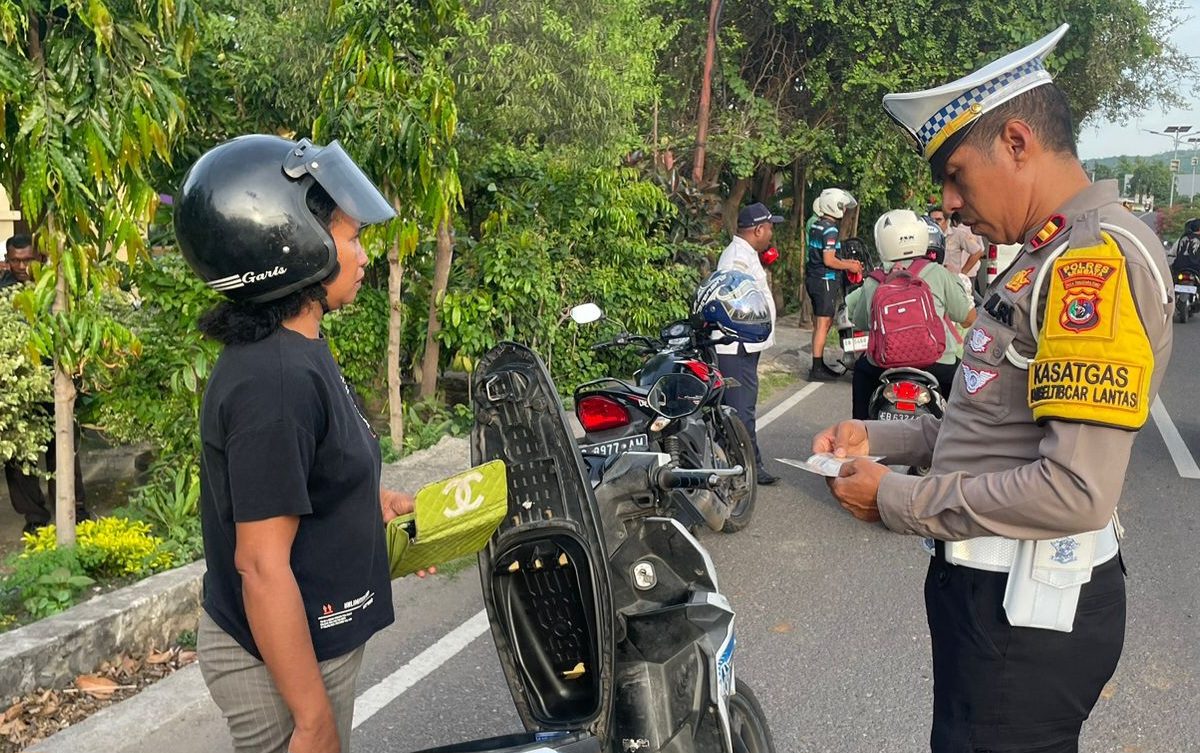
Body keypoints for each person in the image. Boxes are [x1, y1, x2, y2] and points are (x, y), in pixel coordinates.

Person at [814, 24, 1173, 753]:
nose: (948, 202)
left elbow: (1075, 488)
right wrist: (878, 436)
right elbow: (996, 423)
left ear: (1016, 142)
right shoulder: (1043, 254)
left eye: (956, 174)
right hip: (996, 603)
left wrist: (896, 499)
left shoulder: (1091, 264)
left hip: (1023, 621)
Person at [176, 134, 416, 753]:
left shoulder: (296, 348)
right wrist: (311, 720)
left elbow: (301, 475)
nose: (363, 256)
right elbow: (261, 566)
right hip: (280, 663)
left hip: (311, 640)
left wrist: (367, 503)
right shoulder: (274, 381)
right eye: (352, 238)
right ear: (294, 245)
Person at [2, 234, 91, 536]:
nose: (21, 266)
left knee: (63, 448)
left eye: (27, 259)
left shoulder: (55, 289)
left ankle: (75, 511)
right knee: (20, 457)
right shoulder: (3, 291)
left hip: (56, 382)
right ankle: (35, 518)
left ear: (39, 258)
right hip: (19, 387)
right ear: (7, 260)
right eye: (15, 260)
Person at [846, 210, 972, 420]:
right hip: (938, 363)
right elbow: (963, 313)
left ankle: (860, 431)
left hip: (882, 365)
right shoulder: (938, 272)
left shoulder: (874, 280)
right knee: (961, 400)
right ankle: (958, 436)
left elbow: (860, 321)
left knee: (861, 372)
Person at [714, 202, 782, 485]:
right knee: (741, 411)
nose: (771, 234)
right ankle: (748, 466)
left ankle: (735, 464)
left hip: (743, 346)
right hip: (736, 346)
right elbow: (733, 303)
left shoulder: (745, 254)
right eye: (770, 228)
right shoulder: (736, 259)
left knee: (738, 408)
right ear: (758, 230)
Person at [805, 188, 863, 381]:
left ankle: (818, 363)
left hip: (814, 278)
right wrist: (850, 266)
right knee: (823, 324)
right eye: (842, 206)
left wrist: (845, 262)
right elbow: (829, 260)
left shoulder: (817, 225)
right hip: (825, 280)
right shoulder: (830, 229)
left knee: (820, 323)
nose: (844, 210)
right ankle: (817, 368)